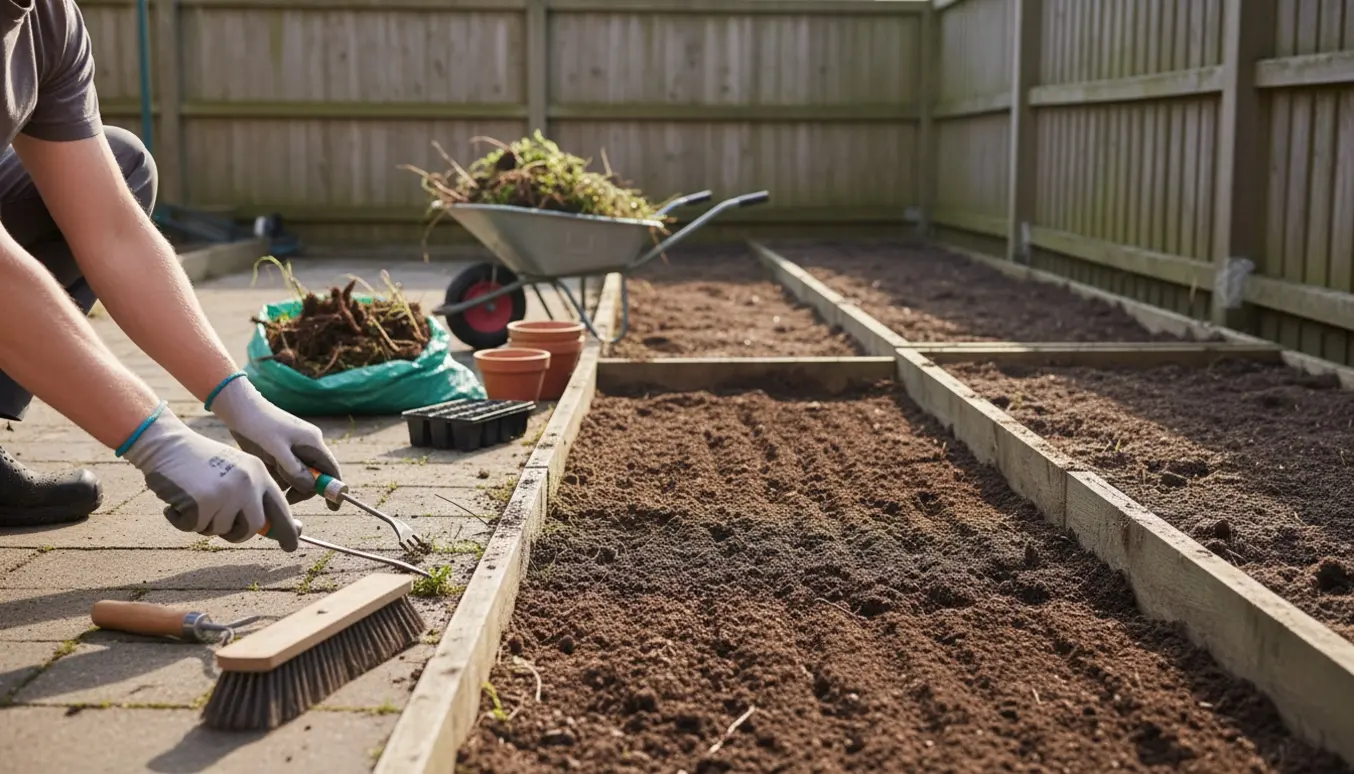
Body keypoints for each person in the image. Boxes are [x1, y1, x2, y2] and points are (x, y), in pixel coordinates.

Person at [0, 0, 339, 551]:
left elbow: (111, 231)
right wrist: (158, 440)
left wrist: (239, 401)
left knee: (122, 163)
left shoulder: (45, 18)